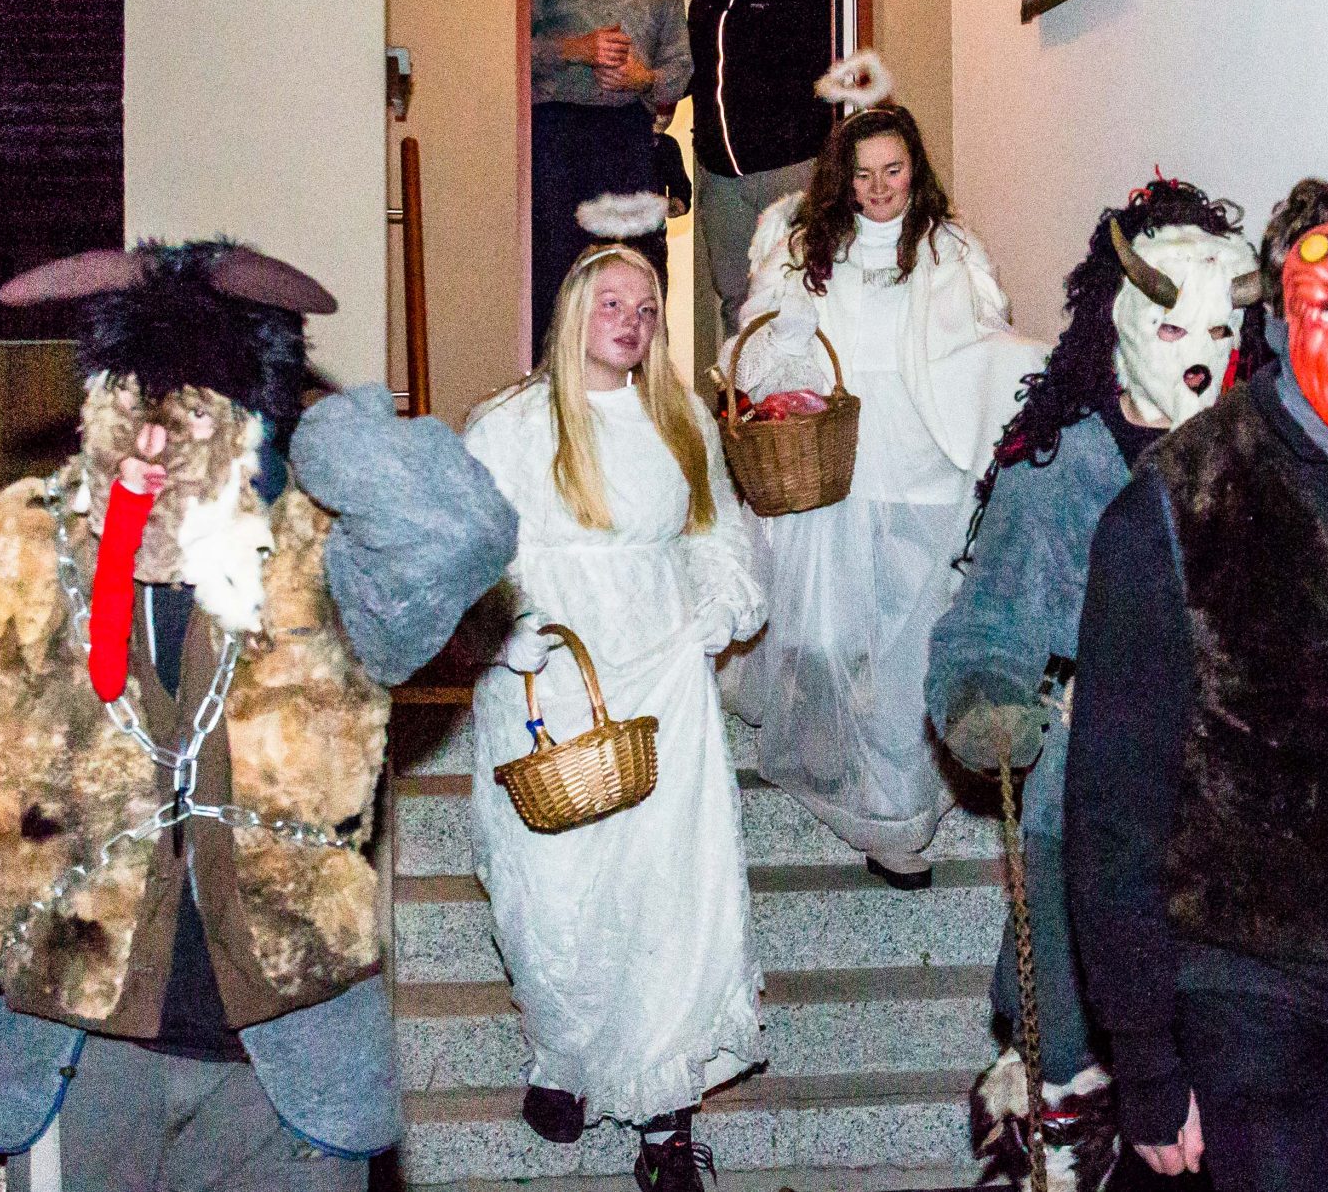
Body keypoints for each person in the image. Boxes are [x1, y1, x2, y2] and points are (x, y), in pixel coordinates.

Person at [0, 239, 516, 1190]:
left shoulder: (330, 563)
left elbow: (462, 534)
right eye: (134, 411)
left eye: (194, 418)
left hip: (289, 1089)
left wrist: (317, 421)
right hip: (74, 1069)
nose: (156, 451)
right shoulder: (14, 559)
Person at [1066, 177, 1328, 1192]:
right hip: (1249, 987)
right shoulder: (1175, 505)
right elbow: (1112, 809)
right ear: (1277, 323)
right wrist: (1146, 1058)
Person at [926, 177, 1265, 1191]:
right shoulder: (1055, 468)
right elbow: (987, 620)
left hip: (1232, 812)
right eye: (1174, 325)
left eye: (1219, 328)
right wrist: (984, 693)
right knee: (1069, 1050)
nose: (1198, 353)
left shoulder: (1262, 464)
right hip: (1083, 796)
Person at [464, 241, 765, 1188]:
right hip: (546, 677)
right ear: (572, 313)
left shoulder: (679, 418)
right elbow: (468, 549)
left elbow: (717, 532)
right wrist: (500, 630)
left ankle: (666, 1116)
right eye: (611, 304)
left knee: (667, 892)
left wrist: (721, 608)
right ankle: (564, 1054)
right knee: (550, 891)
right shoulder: (509, 425)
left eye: (646, 309)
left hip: (662, 673)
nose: (630, 322)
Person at [727, 73, 1038, 883]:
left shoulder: (950, 250)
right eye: (863, 173)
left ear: (915, 169)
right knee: (824, 641)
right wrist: (783, 353)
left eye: (893, 170)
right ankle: (840, 773)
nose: (878, 188)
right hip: (832, 471)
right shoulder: (801, 244)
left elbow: (982, 342)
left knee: (906, 654)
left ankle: (895, 821)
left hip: (921, 471)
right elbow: (759, 351)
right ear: (842, 176)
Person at [532, 0, 691, 339]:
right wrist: (574, 49)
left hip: (627, 138)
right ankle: (552, 375)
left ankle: (633, 375)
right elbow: (509, 50)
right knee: (554, 271)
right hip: (554, 135)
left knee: (634, 266)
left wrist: (644, 79)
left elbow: (681, 70)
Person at [686, 0, 836, 337]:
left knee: (803, 287)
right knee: (735, 295)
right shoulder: (703, 6)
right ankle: (740, 378)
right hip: (721, 181)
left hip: (791, 172)